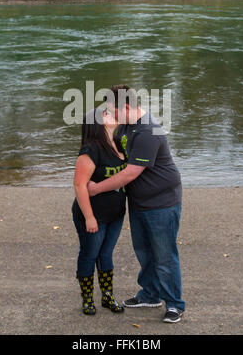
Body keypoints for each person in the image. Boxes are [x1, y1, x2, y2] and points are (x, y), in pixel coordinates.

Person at [87, 84, 185, 323]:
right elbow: (116, 152)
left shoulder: (148, 131)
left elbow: (130, 173)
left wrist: (97, 188)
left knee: (164, 255)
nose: (110, 114)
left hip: (162, 203)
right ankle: (150, 294)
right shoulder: (127, 125)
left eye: (112, 110)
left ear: (127, 107)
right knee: (144, 252)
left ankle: (174, 304)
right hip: (140, 202)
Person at [72, 106, 126, 315]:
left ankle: (107, 296)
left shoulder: (119, 143)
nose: (112, 114)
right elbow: (79, 185)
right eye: (106, 113)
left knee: (106, 254)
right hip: (93, 215)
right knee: (89, 254)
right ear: (98, 123)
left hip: (116, 214)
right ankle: (87, 298)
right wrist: (89, 217)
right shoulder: (91, 149)